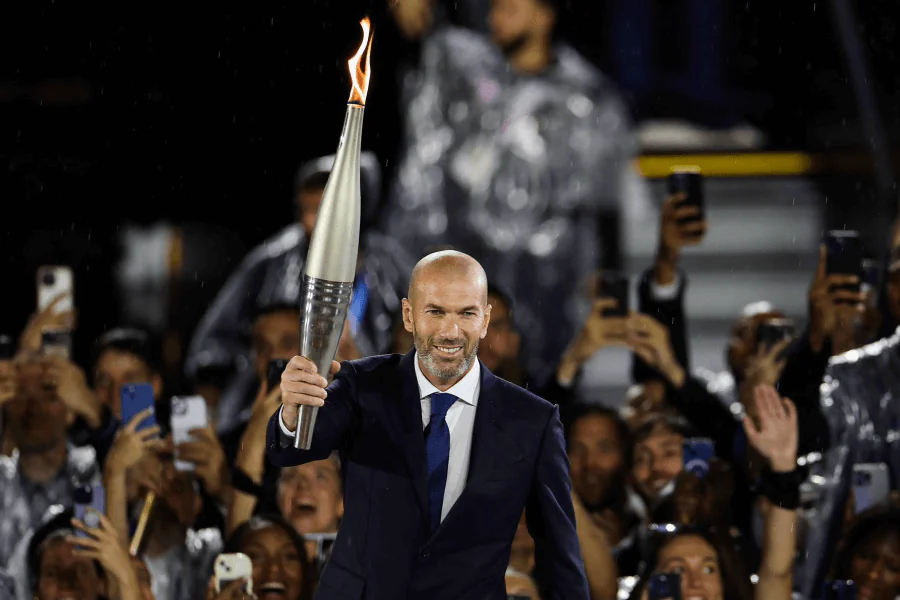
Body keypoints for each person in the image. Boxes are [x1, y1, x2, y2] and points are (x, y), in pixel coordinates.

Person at [268, 250, 588, 599]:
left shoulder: (532, 421)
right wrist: (293, 410)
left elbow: (559, 559)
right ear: (409, 315)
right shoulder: (363, 385)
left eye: (466, 313)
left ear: (485, 319)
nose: (450, 332)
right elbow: (294, 449)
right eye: (435, 312)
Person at [384, 0, 642, 385]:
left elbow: (606, 191)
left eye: (510, 7)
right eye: (494, 8)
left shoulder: (585, 96)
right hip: (477, 262)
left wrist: (607, 266)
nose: (495, 18)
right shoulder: (474, 81)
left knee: (544, 384)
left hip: (552, 274)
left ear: (544, 14)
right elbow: (430, 44)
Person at [185, 153, 412, 435]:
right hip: (272, 412)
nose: (314, 221)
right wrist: (202, 423)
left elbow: (413, 340)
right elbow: (212, 350)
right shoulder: (270, 264)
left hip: (366, 413)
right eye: (307, 209)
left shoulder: (389, 265)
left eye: (325, 208)